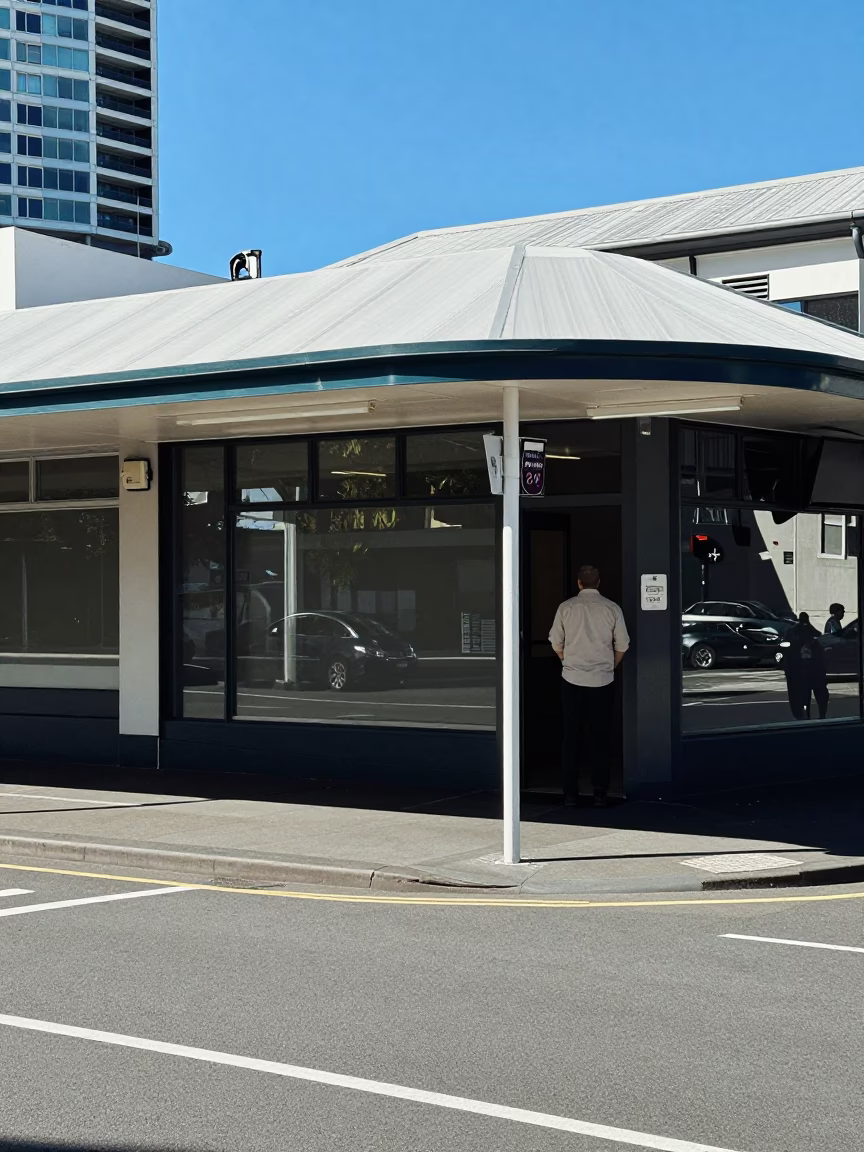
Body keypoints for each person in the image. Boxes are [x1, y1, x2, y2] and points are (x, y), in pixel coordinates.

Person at [549, 565, 629, 808]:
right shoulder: (612, 608)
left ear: (579, 583)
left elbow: (555, 642)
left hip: (572, 680)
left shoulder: (566, 608)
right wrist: (610, 666)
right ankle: (600, 793)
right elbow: (622, 645)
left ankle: (570, 794)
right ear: (599, 582)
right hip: (603, 681)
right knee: (600, 736)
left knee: (571, 736)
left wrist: (567, 661)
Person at [782, 611, 829, 721]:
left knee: (807, 694)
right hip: (807, 668)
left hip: (806, 668)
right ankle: (814, 715)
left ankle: (808, 715)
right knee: (812, 694)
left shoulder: (796, 631)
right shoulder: (802, 632)